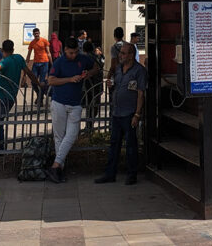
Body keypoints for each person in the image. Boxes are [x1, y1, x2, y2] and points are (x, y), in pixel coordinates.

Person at [45, 37, 99, 183]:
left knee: (72, 134)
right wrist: (69, 79)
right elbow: (51, 80)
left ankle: (55, 166)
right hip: (59, 103)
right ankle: (59, 169)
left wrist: (88, 74)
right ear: (64, 51)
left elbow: (96, 67)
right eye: (70, 53)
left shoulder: (83, 59)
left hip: (75, 103)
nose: (73, 55)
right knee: (59, 136)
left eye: (75, 52)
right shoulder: (59, 62)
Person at [96, 42, 146, 185]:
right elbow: (116, 84)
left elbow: (141, 93)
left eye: (124, 53)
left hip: (130, 113)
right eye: (120, 53)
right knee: (114, 144)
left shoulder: (139, 71)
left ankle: (132, 174)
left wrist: (137, 114)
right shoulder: (119, 69)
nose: (121, 55)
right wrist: (111, 85)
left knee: (131, 145)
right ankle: (110, 173)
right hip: (117, 112)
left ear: (131, 55)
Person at [0, 40, 38, 149]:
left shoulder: (6, 61)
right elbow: (29, 72)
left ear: (2, 51)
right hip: (11, 96)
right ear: (13, 49)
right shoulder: (19, 58)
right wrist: (38, 83)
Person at [82, 41, 105, 130]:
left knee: (89, 105)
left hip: (90, 85)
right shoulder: (98, 57)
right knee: (95, 105)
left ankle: (89, 125)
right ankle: (90, 123)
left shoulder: (86, 58)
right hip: (98, 84)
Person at [26, 28, 53, 104]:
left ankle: (40, 100)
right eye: (35, 34)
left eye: (37, 33)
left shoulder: (44, 41)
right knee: (33, 81)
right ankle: (39, 95)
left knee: (42, 82)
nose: (36, 35)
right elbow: (29, 54)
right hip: (36, 63)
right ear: (33, 34)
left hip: (44, 63)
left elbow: (48, 53)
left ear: (39, 33)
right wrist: (26, 63)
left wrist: (52, 64)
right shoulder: (32, 43)